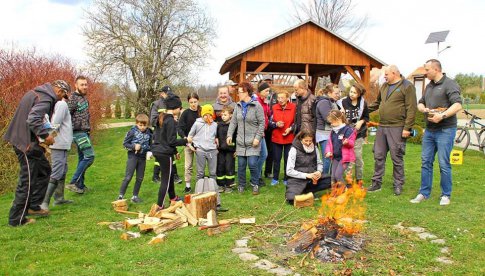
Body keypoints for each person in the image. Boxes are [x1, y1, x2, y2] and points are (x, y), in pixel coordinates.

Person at [4, 80, 70, 226]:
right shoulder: (45, 98)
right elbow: (33, 119)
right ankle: (17, 219)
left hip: (28, 141)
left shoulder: (39, 94)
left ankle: (34, 206)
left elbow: (36, 119)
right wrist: (46, 137)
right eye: (63, 96)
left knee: (44, 170)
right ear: (59, 91)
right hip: (25, 144)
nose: (62, 99)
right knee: (27, 181)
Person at [410, 59, 462, 206]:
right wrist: (422, 108)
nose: (425, 73)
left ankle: (446, 195)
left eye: (427, 70)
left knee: (443, 163)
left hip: (446, 130)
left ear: (436, 69)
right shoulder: (429, 86)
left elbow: (457, 104)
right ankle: (423, 193)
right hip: (430, 130)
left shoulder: (449, 84)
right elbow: (421, 102)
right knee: (426, 162)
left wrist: (443, 115)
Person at [367, 65, 417, 195]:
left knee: (397, 157)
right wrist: (363, 111)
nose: (384, 77)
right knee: (378, 155)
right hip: (382, 126)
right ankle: (376, 183)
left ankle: (398, 184)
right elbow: (377, 103)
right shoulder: (384, 86)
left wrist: (407, 128)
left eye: (387, 74)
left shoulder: (407, 86)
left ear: (394, 73)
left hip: (397, 127)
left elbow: (411, 109)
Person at [227, 82, 265, 195]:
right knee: (241, 165)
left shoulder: (257, 105)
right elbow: (233, 122)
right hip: (240, 142)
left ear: (247, 92)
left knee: (253, 164)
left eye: (240, 92)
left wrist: (257, 138)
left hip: (253, 142)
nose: (238, 94)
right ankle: (241, 185)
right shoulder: (237, 106)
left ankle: (255, 183)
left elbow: (262, 123)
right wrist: (229, 135)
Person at [40, 88, 74, 211]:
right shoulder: (61, 104)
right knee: (57, 171)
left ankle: (59, 198)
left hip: (62, 144)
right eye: (67, 93)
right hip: (58, 143)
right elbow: (55, 123)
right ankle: (44, 202)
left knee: (63, 170)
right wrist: (47, 140)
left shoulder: (60, 104)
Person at [151, 95, 188, 209]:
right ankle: (159, 205)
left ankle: (173, 198)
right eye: (180, 108)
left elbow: (165, 138)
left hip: (158, 150)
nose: (180, 110)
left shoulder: (161, 117)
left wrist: (175, 151)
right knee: (166, 180)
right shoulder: (171, 120)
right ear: (176, 108)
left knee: (170, 175)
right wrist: (185, 140)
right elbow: (171, 141)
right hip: (164, 153)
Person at [66, 76, 95, 194]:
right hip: (78, 132)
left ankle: (80, 185)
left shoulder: (84, 98)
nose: (84, 86)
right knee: (90, 156)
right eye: (82, 84)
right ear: (76, 85)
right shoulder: (72, 98)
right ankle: (73, 182)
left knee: (82, 158)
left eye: (85, 84)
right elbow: (66, 115)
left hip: (85, 132)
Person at [337, 83, 369, 184]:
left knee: (358, 157)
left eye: (354, 93)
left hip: (358, 134)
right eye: (351, 91)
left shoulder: (363, 103)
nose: (352, 94)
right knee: (348, 158)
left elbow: (366, 117)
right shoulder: (342, 102)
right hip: (346, 135)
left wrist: (361, 122)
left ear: (359, 94)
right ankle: (349, 181)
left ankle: (359, 179)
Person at [286, 130, 330, 205]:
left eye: (310, 140)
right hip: (297, 179)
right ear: (300, 139)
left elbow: (319, 163)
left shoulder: (315, 148)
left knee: (331, 180)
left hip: (312, 178)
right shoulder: (294, 149)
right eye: (306, 141)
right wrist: (307, 175)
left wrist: (319, 171)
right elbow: (289, 171)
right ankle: (305, 193)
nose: (308, 143)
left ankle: (307, 191)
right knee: (291, 200)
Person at [117, 114, 152, 203]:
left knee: (140, 178)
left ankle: (135, 196)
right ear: (136, 123)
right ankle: (120, 196)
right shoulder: (132, 132)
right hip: (133, 157)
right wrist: (134, 146)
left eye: (145, 125)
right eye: (140, 125)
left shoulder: (149, 132)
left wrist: (150, 151)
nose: (143, 127)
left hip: (142, 158)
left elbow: (151, 145)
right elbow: (125, 144)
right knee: (128, 177)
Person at [150, 86, 181, 184]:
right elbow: (153, 121)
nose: (169, 95)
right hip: (159, 134)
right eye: (167, 93)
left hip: (170, 132)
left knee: (171, 152)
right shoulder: (156, 104)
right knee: (161, 156)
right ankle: (156, 176)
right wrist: (165, 118)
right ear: (162, 94)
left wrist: (174, 120)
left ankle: (174, 175)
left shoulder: (171, 104)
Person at [268, 91, 295, 186]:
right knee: (276, 159)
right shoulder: (274, 108)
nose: (280, 100)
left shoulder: (293, 107)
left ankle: (286, 178)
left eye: (282, 98)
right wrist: (276, 124)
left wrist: (290, 128)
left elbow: (296, 122)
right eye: (278, 98)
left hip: (289, 137)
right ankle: (275, 178)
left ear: (287, 98)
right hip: (276, 138)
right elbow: (269, 122)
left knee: (288, 159)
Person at [187, 104, 218, 184]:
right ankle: (199, 187)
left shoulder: (215, 125)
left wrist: (217, 144)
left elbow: (217, 136)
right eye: (206, 115)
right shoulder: (197, 124)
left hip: (212, 151)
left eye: (210, 115)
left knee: (213, 172)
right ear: (202, 115)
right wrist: (190, 145)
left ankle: (213, 187)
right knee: (200, 172)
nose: (208, 117)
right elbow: (190, 136)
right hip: (200, 151)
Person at [324, 110, 357, 185]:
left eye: (332, 122)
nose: (331, 124)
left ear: (338, 120)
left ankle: (344, 191)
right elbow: (329, 144)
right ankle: (335, 192)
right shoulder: (333, 131)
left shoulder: (348, 130)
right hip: (336, 157)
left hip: (344, 158)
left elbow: (351, 143)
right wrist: (328, 152)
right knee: (332, 176)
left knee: (338, 175)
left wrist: (347, 143)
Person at [315, 83, 341, 175]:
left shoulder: (332, 101)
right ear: (329, 93)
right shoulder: (324, 102)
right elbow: (328, 118)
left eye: (339, 93)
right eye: (336, 93)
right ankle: (324, 178)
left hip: (330, 133)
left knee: (331, 157)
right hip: (324, 134)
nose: (339, 95)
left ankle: (329, 177)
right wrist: (341, 116)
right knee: (327, 157)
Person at [177, 93, 201, 193]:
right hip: (188, 143)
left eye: (195, 102)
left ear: (198, 101)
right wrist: (186, 140)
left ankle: (200, 184)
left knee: (200, 165)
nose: (193, 104)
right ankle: (187, 185)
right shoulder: (185, 113)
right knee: (188, 165)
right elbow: (180, 128)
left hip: (200, 143)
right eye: (191, 102)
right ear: (188, 102)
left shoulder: (201, 111)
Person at [216, 106, 236, 193]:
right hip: (220, 150)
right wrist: (216, 138)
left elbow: (236, 137)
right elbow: (216, 135)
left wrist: (236, 150)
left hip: (230, 151)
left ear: (231, 115)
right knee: (220, 166)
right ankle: (220, 185)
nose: (223, 116)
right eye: (222, 115)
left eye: (225, 114)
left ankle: (229, 185)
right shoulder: (219, 125)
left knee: (229, 167)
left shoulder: (234, 126)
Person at [261, 75, 278, 179]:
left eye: (269, 81)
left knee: (270, 150)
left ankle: (268, 171)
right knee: (260, 150)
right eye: (266, 81)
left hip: (271, 126)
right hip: (262, 127)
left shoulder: (275, 95)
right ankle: (259, 171)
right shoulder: (258, 97)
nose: (268, 83)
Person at [255, 82, 271, 186]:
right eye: (266, 91)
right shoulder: (256, 101)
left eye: (268, 91)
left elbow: (268, 113)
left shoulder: (265, 101)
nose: (268, 93)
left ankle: (257, 176)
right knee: (263, 154)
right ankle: (256, 176)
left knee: (262, 155)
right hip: (258, 132)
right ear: (260, 91)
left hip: (263, 131)